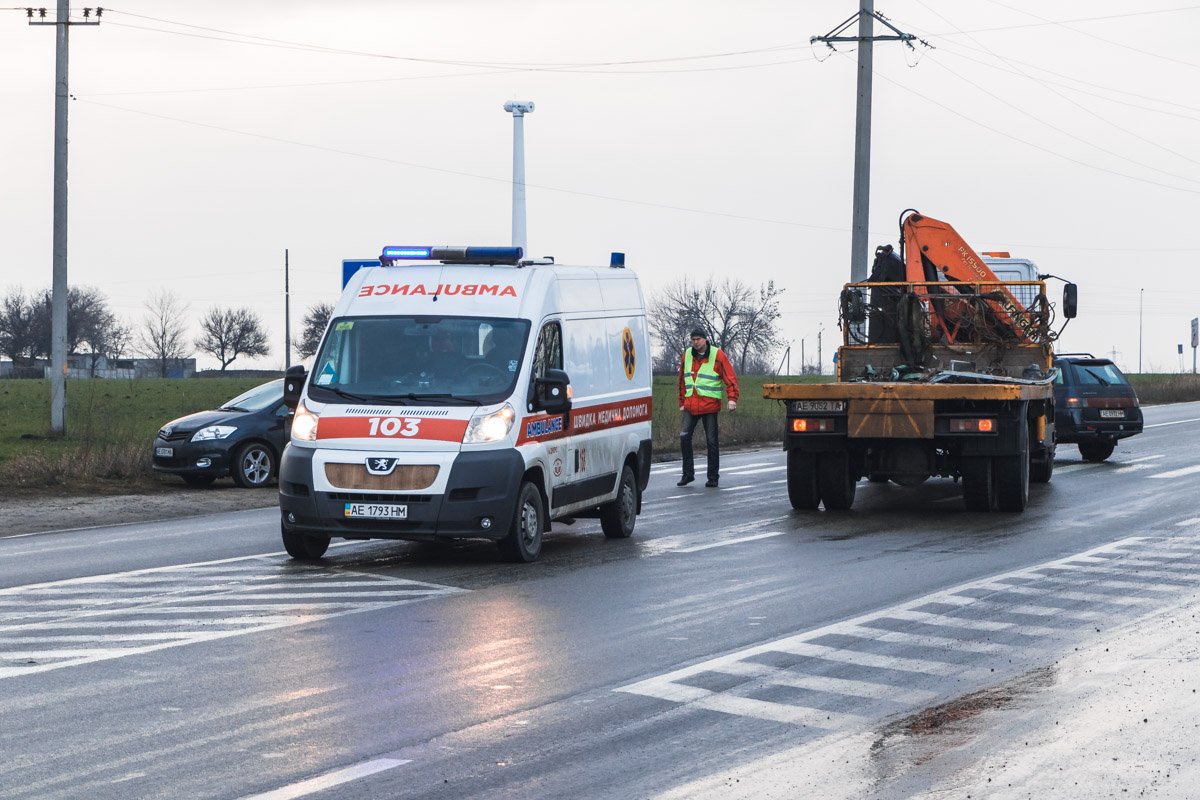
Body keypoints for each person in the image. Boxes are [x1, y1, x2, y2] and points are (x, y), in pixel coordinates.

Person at [677, 327, 739, 488]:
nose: (695, 342)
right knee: (684, 437)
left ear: (705, 339)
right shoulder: (687, 355)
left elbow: (730, 377)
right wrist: (682, 402)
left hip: (710, 406)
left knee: (711, 441)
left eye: (698, 339)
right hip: (691, 405)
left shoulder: (717, 355)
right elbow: (682, 380)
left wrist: (732, 399)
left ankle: (713, 477)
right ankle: (688, 474)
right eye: (693, 340)